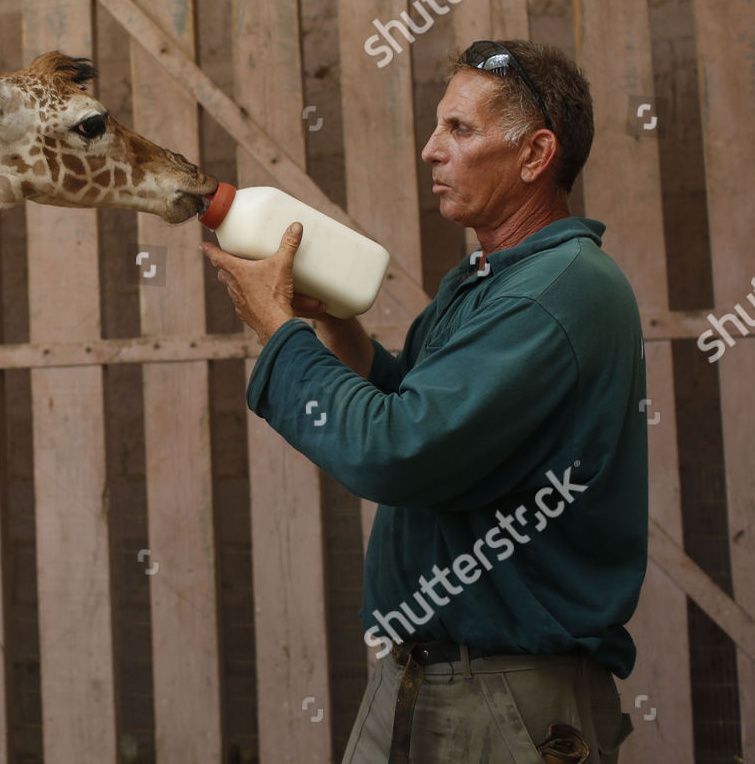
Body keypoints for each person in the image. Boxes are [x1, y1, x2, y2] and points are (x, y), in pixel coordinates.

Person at [201, 40, 645, 763]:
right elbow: (418, 404)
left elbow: (397, 449)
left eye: (459, 131)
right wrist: (328, 321)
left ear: (535, 156)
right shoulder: (489, 281)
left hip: (501, 700)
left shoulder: (557, 291)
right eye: (439, 127)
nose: (429, 150)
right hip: (425, 675)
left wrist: (277, 330)